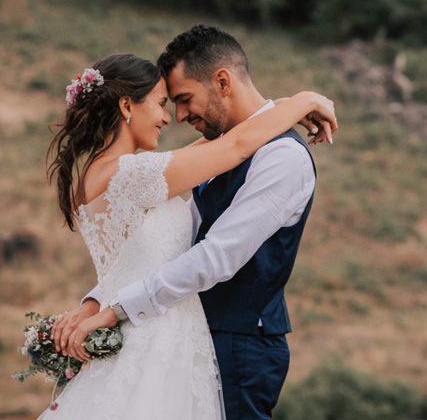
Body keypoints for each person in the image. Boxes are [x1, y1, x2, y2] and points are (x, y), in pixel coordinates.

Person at [49, 26, 334, 420]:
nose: (175, 117)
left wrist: (105, 305)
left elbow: (214, 255)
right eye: (166, 103)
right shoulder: (156, 167)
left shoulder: (281, 157)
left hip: (236, 344)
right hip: (170, 337)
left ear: (222, 81)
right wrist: (304, 99)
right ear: (127, 107)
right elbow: (231, 151)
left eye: (182, 100)